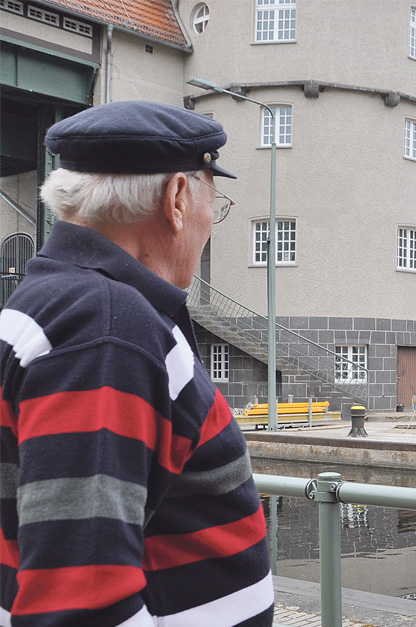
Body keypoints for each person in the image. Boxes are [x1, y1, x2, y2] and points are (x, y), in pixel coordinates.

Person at [0, 101, 273, 625]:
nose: (210, 223)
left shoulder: (49, 303)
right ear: (176, 198)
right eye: (215, 203)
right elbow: (79, 604)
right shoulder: (108, 330)